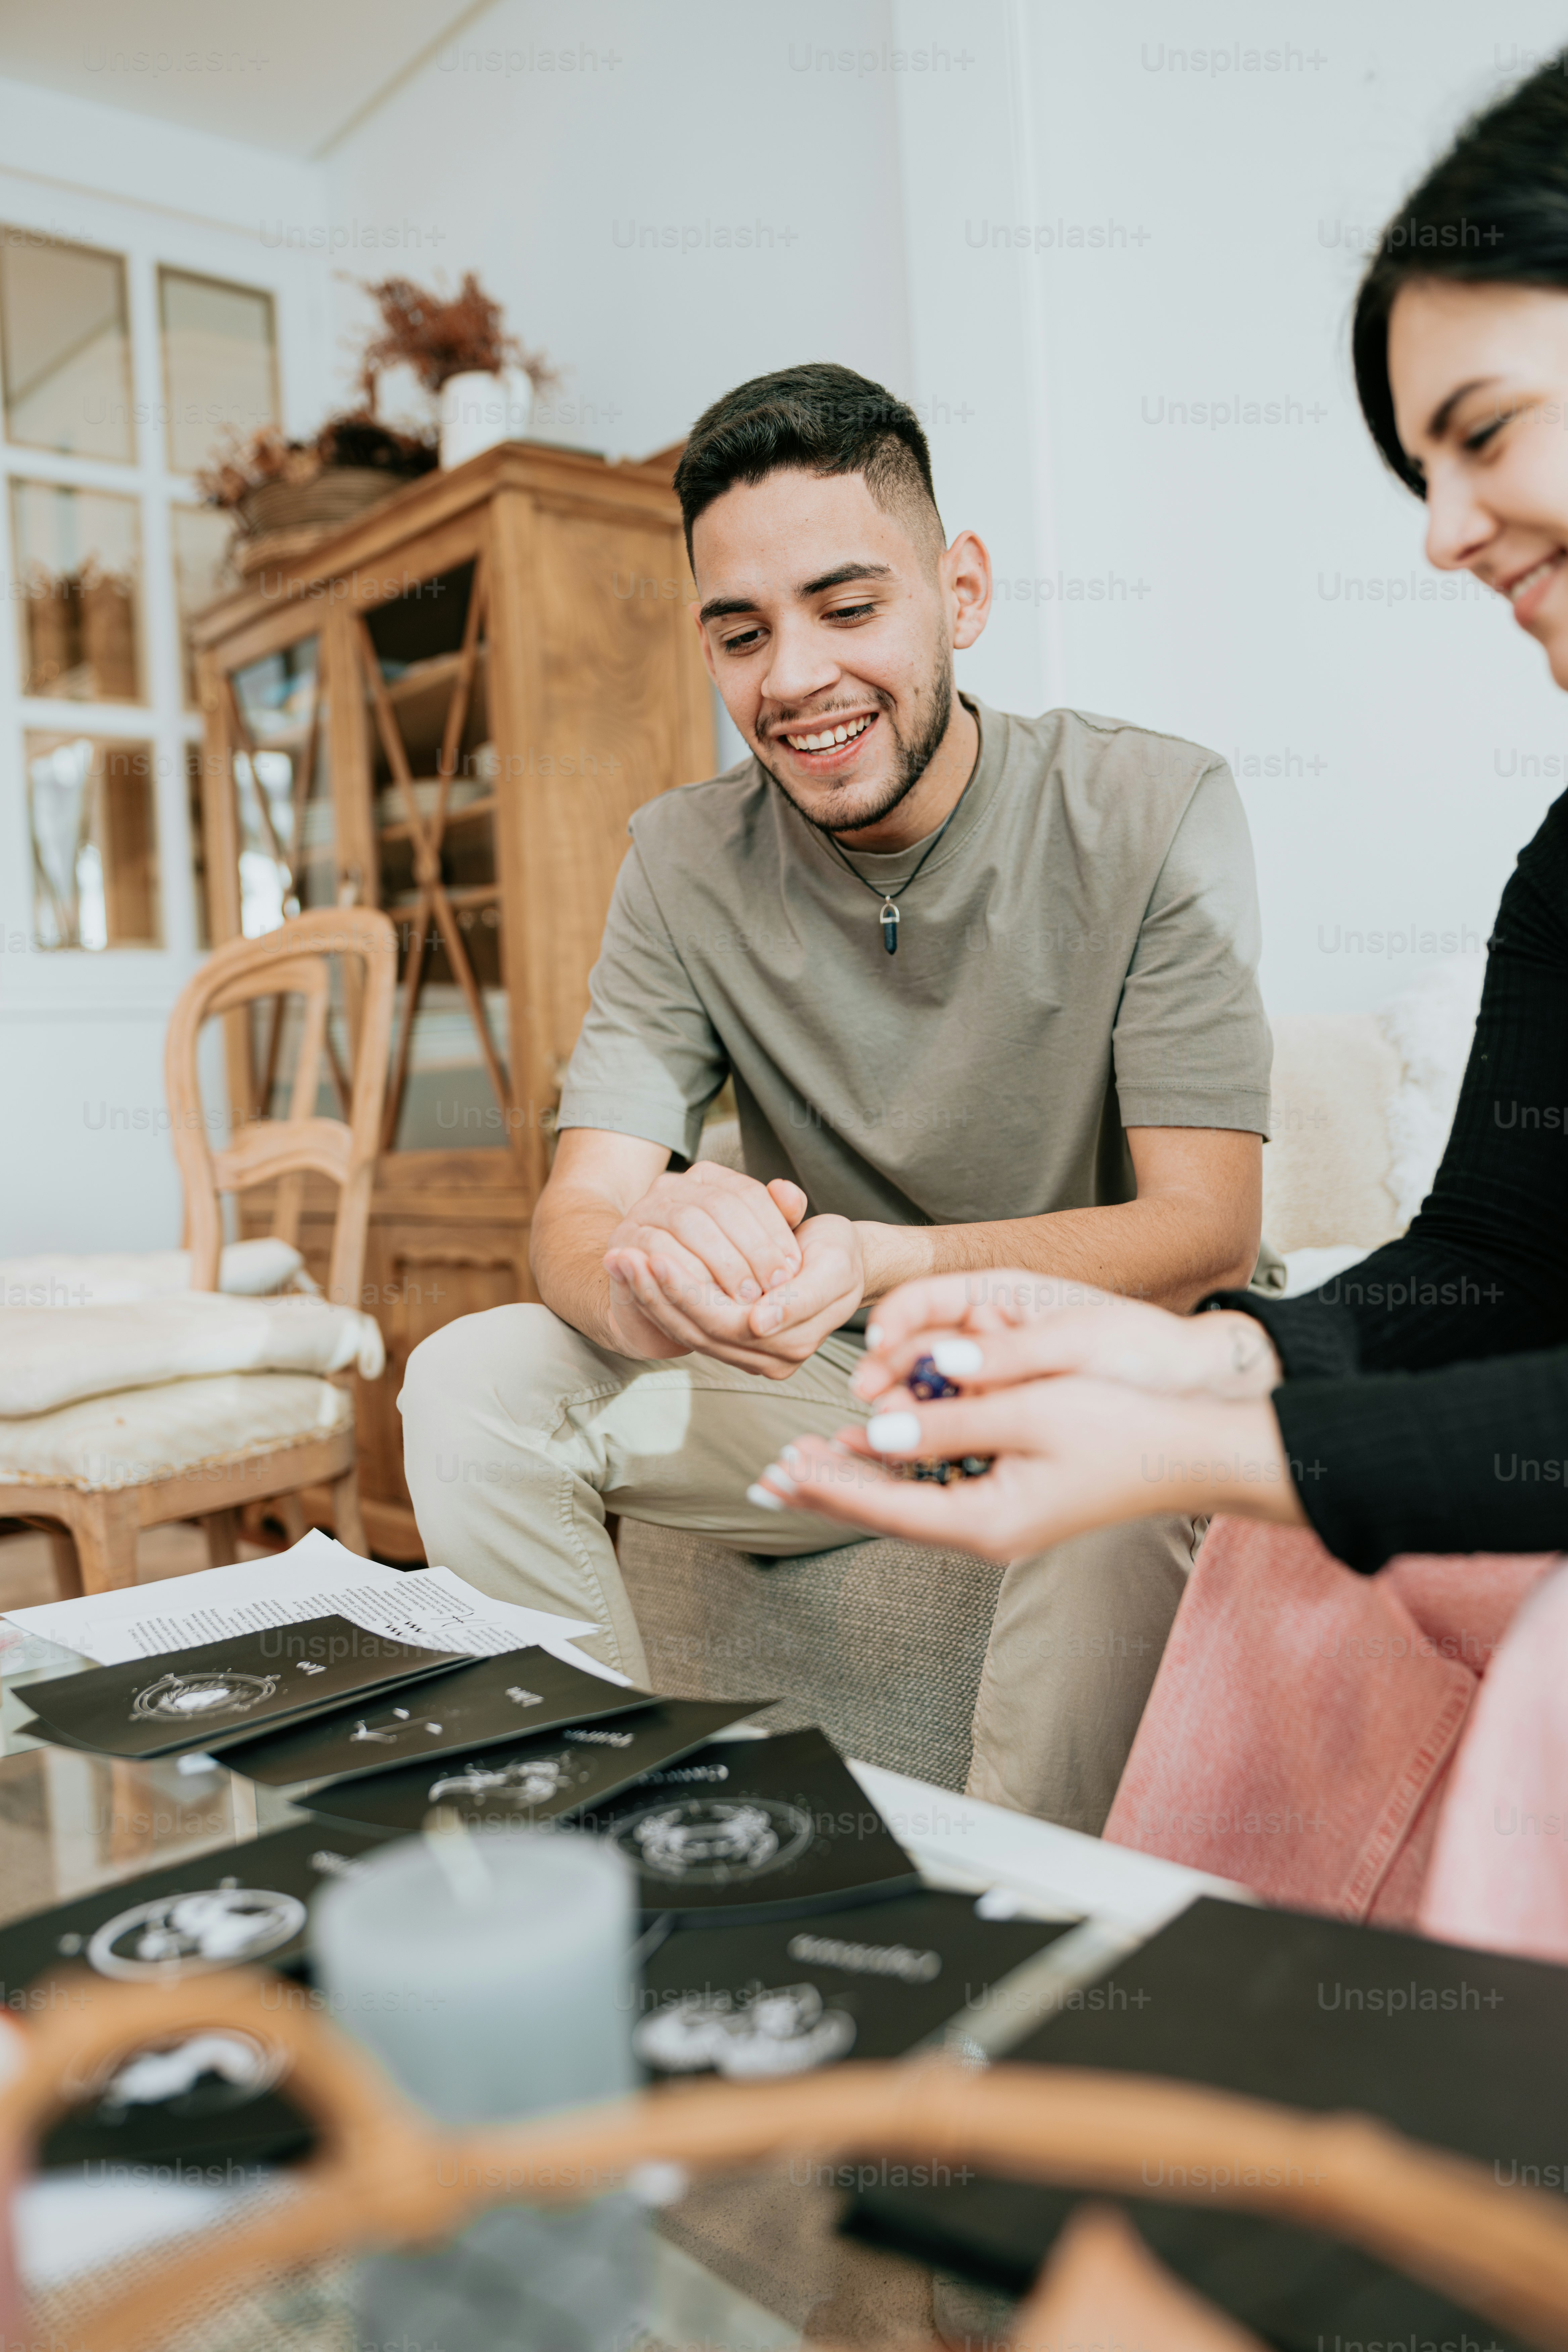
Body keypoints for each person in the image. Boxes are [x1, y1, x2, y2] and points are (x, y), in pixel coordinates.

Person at [751, 62, 1568, 1953]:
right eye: (1414, 475)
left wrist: (1217, 1426)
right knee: (1290, 1550)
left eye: (1484, 433)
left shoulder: (1150, 809)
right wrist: (1187, 1359)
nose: (1442, 533)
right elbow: (1497, 1264)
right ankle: (1187, 2096)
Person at [399, 360, 1273, 1833]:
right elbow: (578, 1208)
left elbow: (1208, 1231)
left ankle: (1017, 1953)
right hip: (824, 1390)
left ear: (962, 591)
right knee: (478, 1381)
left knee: (1127, 1470)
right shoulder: (680, 862)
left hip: (1081, 1367)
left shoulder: (1150, 809)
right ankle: (638, 1863)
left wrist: (889, 1260)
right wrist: (646, 1285)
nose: (792, 677)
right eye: (740, 633)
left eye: (848, 607)